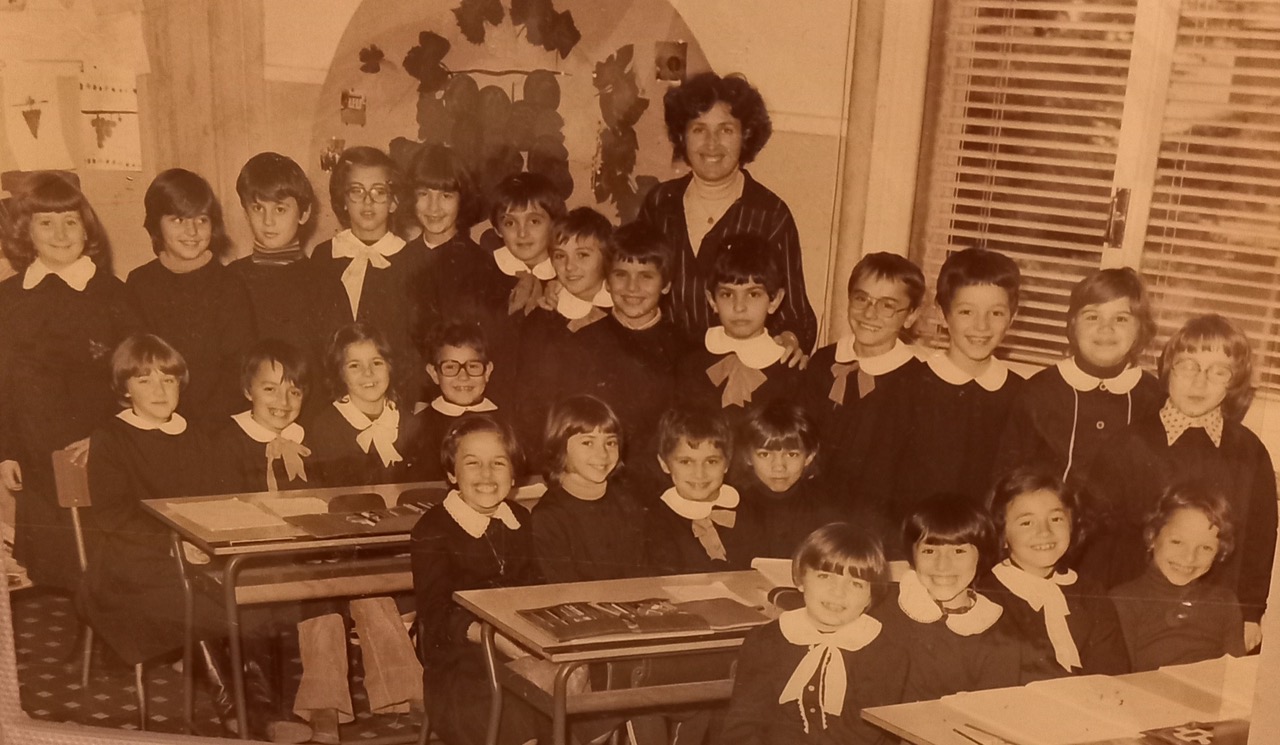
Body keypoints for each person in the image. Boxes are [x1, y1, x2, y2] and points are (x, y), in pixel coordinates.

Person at [80, 335, 297, 740]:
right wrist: (178, 543)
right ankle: (238, 711)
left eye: (168, 379)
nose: (160, 390)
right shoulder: (111, 438)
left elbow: (216, 501)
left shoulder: (196, 434)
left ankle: (260, 709)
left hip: (196, 556)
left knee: (245, 598)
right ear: (124, 388)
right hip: (128, 569)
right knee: (196, 602)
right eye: (145, 380)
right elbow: (114, 516)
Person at [1085, 314, 1276, 651]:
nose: (1199, 383)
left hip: (1214, 620)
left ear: (1234, 382)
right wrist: (1094, 611)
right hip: (1132, 614)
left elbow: (1259, 541)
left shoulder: (1249, 451)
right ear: (1168, 369)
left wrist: (1250, 613)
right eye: (1188, 366)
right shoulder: (1128, 444)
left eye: (1218, 372)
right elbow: (1096, 542)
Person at [0, 172, 141, 592]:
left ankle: (106, 624)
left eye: (70, 221)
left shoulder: (113, 293)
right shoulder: (8, 298)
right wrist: (6, 451)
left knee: (105, 560)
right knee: (58, 564)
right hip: (35, 451)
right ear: (25, 231)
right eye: (46, 223)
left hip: (97, 448)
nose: (60, 234)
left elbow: (137, 375)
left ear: (86, 228)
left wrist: (108, 437)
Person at [637, 71, 816, 359]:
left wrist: (790, 338)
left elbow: (795, 314)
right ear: (682, 135)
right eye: (699, 129)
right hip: (663, 362)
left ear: (745, 136)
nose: (712, 143)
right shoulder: (660, 203)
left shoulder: (770, 214)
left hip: (738, 367)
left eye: (725, 130)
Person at [410, 414, 544, 745]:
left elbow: (537, 589)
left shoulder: (520, 519)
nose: (486, 474)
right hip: (460, 669)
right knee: (523, 710)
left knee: (586, 687)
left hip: (519, 652)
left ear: (514, 474)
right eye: (473, 463)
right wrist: (495, 638)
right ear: (451, 473)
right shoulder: (433, 528)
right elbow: (436, 613)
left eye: (498, 463)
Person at [718, 523, 907, 745]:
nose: (838, 592)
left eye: (856, 584)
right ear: (801, 579)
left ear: (870, 597)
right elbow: (742, 724)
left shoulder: (886, 653)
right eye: (825, 576)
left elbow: (860, 735)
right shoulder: (765, 640)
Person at [892, 248, 1024, 537]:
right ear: (942, 314)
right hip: (913, 542)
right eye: (966, 312)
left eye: (996, 313)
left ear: (1012, 317)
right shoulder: (907, 385)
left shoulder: (1021, 396)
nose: (981, 326)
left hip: (986, 547)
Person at [996, 267, 1162, 484]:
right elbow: (1007, 473)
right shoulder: (1040, 391)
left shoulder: (1154, 397)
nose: (1106, 328)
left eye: (1121, 319)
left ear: (1140, 328)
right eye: (1092, 317)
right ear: (1073, 325)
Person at [805, 252, 928, 529]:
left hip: (881, 520)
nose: (870, 313)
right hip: (815, 511)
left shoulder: (918, 381)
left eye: (887, 305)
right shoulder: (823, 362)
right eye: (862, 299)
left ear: (911, 315)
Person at [126, 167, 256, 424]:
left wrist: (201, 428)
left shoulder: (230, 285)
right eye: (178, 220)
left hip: (218, 422)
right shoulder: (139, 283)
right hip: (156, 418)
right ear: (156, 224)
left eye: (201, 220)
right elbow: (134, 365)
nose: (193, 231)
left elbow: (240, 369)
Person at [977, 467, 1130, 683]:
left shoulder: (1091, 593)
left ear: (1072, 525)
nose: (1044, 532)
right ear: (1002, 535)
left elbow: (1112, 672)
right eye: (1027, 522)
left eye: (1056, 519)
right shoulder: (984, 598)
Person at [872, 495, 1019, 701]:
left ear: (981, 556)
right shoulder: (881, 607)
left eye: (958, 551)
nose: (942, 566)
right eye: (929, 551)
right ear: (912, 555)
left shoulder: (999, 639)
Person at [310, 146, 426, 402]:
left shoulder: (411, 260)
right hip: (333, 397)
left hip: (394, 396)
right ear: (343, 200)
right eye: (356, 191)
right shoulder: (324, 256)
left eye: (379, 191)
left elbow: (417, 343)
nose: (368, 201)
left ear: (394, 202)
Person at [229, 151, 344, 397]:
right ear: (246, 211)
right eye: (258, 208)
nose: (268, 221)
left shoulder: (324, 282)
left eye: (280, 209)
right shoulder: (230, 278)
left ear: (304, 213)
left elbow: (334, 368)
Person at [507, 207, 614, 449]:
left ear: (606, 257)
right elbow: (527, 404)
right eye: (560, 256)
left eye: (583, 255)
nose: (569, 266)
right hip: (552, 449)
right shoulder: (540, 321)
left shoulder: (621, 317)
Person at [1110, 484, 1246, 671]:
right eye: (1177, 542)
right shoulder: (1122, 601)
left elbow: (1236, 678)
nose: (1189, 558)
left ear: (1219, 552)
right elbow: (1119, 680)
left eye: (1205, 548)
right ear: (1152, 537)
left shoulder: (1225, 603)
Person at [675, 233, 804, 416]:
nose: (739, 307)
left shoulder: (788, 370)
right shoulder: (690, 361)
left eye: (753, 294)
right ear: (712, 300)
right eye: (727, 294)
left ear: (774, 300)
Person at [530, 395, 648, 582]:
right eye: (587, 442)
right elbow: (562, 588)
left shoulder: (629, 503)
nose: (602, 454)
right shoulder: (548, 518)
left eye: (610, 442)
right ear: (559, 447)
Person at [479, 171, 567, 408]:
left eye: (534, 221)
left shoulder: (569, 279)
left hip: (552, 406)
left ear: (555, 224)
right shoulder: (483, 277)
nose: (522, 232)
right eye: (510, 223)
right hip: (494, 402)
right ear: (498, 229)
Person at [646, 406, 764, 574]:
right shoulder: (655, 520)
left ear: (727, 463)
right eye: (686, 462)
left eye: (711, 461)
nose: (699, 474)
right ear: (664, 464)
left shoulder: (749, 510)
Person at [401, 143, 498, 336]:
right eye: (423, 194)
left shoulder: (482, 266)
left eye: (446, 196)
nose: (433, 207)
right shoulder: (400, 261)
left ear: (462, 199)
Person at [307, 323, 421, 486]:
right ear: (340, 373)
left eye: (377, 363)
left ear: (390, 367)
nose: (368, 372)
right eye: (354, 365)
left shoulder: (410, 425)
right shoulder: (326, 427)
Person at [211, 339, 313, 494]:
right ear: (248, 391)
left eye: (294, 392)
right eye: (270, 389)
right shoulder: (229, 445)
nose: (283, 401)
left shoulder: (306, 440)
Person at [732, 401, 831, 559]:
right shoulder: (731, 506)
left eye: (792, 454)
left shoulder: (826, 509)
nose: (779, 467)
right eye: (765, 454)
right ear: (747, 456)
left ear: (809, 456)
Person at [412, 320, 499, 482]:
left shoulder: (505, 421)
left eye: (473, 366)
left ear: (487, 371)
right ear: (434, 373)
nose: (463, 376)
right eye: (450, 367)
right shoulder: (420, 426)